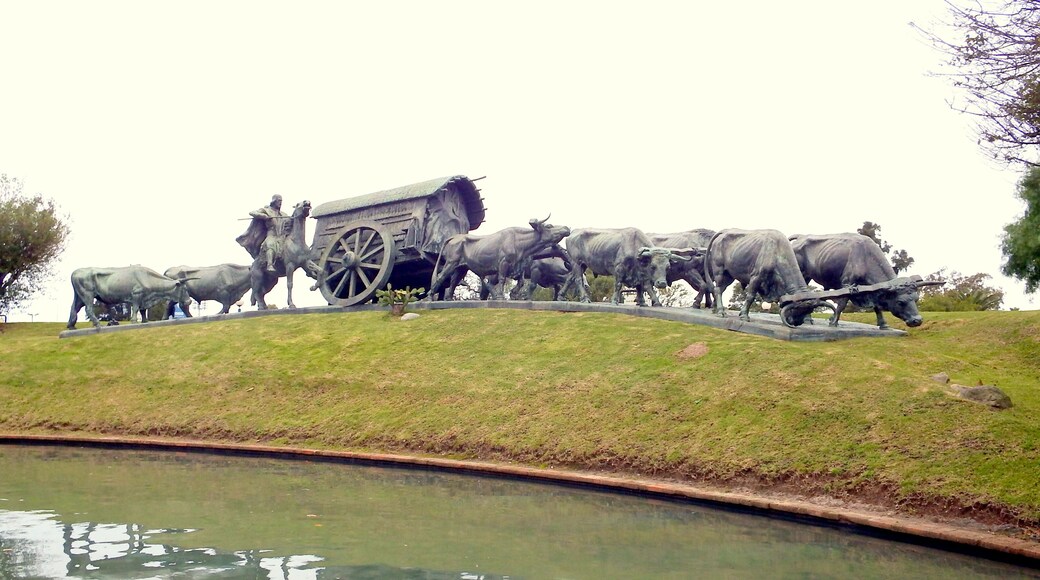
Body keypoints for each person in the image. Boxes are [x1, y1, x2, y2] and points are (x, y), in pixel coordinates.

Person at [236, 194, 288, 272]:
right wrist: (262, 215)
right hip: (272, 235)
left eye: (281, 201)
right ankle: (269, 264)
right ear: (274, 201)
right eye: (279, 201)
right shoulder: (267, 210)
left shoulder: (283, 214)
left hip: (282, 236)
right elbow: (252, 212)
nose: (280, 203)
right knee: (270, 245)